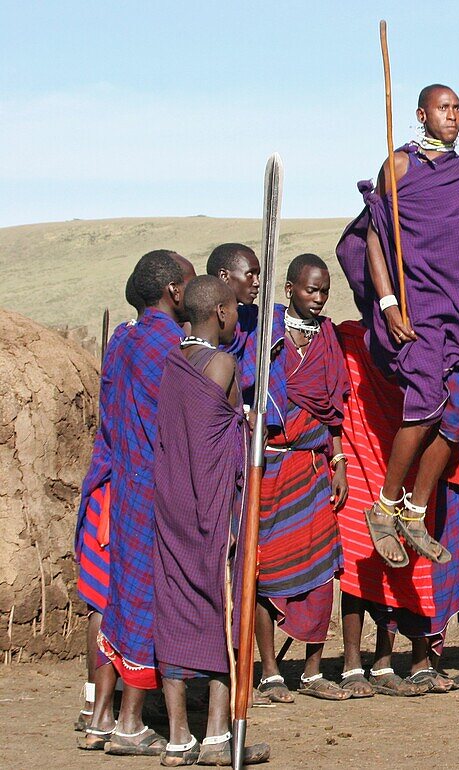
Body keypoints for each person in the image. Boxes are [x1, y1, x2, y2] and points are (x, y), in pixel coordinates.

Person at [336, 83, 459, 569]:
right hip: (410, 312)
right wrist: (387, 306)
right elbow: (374, 239)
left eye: (458, 108)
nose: (453, 116)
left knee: (455, 417)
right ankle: (382, 509)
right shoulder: (398, 166)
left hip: (452, 313)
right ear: (421, 114)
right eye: (444, 108)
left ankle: (415, 514)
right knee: (424, 405)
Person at [152, 276, 270, 766]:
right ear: (222, 312)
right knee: (227, 606)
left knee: (175, 609)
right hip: (214, 506)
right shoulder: (222, 363)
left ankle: (179, 738)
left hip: (173, 502)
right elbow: (228, 433)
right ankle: (219, 736)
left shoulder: (174, 361)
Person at [86, 250, 195, 756]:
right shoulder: (169, 345)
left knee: (116, 598)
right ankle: (130, 723)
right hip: (153, 486)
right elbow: (177, 423)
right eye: (190, 283)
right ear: (174, 290)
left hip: (118, 483)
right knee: (146, 599)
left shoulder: (124, 339)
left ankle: (100, 717)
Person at [335, 318, 459, 696]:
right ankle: (352, 664)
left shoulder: (420, 339)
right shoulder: (348, 337)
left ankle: (385, 663)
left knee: (402, 567)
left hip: (403, 458)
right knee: (360, 559)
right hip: (366, 451)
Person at [252, 253, 351, 703]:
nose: (318, 298)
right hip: (269, 468)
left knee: (320, 570)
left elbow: (334, 411)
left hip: (312, 469)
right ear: (290, 288)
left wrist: (339, 462)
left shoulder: (328, 336)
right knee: (264, 569)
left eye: (325, 291)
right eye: (311, 290)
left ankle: (312, 672)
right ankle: (270, 671)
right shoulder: (263, 331)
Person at [73, 275, 145, 736]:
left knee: (102, 598)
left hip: (108, 482)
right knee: (128, 597)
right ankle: (118, 715)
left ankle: (93, 706)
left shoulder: (121, 342)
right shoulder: (160, 350)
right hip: (132, 490)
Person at [206, 242, 261, 366]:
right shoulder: (201, 321)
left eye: (258, 275)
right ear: (224, 276)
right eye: (250, 274)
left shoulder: (252, 318)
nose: (257, 282)